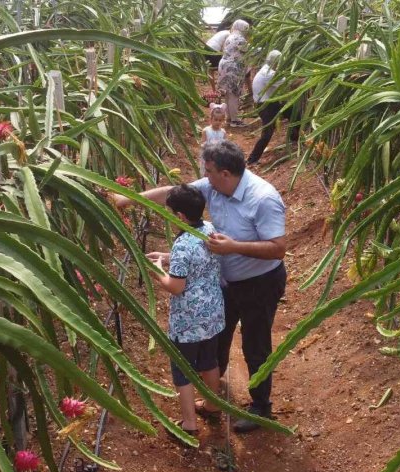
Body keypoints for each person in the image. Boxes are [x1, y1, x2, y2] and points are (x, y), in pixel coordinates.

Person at [115, 140, 287, 432]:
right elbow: (174, 193)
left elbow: (278, 248)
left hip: (261, 282)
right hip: (225, 282)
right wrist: (127, 200)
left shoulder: (263, 198)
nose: (204, 177)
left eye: (208, 171)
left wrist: (234, 246)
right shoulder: (214, 187)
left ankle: (261, 407)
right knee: (217, 338)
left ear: (225, 173)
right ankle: (213, 399)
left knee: (255, 345)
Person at [148, 185, 224, 443]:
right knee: (209, 361)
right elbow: (198, 257)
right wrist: (167, 257)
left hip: (188, 321)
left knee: (183, 370)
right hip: (212, 314)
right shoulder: (209, 229)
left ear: (179, 216)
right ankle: (213, 406)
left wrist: (158, 269)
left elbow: (175, 286)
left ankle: (189, 424)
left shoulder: (183, 244)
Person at [247, 50, 300, 166]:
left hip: (268, 102)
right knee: (267, 133)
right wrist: (307, 78)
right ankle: (252, 159)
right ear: (276, 62)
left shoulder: (267, 69)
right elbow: (290, 83)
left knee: (292, 112)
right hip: (265, 105)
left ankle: (294, 139)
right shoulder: (269, 74)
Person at [217, 20, 250, 127]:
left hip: (224, 66)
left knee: (228, 94)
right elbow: (249, 52)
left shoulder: (230, 36)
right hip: (233, 69)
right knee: (234, 95)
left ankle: (229, 118)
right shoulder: (240, 39)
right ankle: (235, 121)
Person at [200, 104, 228, 171]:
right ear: (211, 119)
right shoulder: (206, 131)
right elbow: (202, 145)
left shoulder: (223, 133)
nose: (218, 122)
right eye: (216, 120)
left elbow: (225, 145)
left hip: (219, 158)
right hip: (208, 157)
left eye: (220, 120)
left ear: (223, 120)